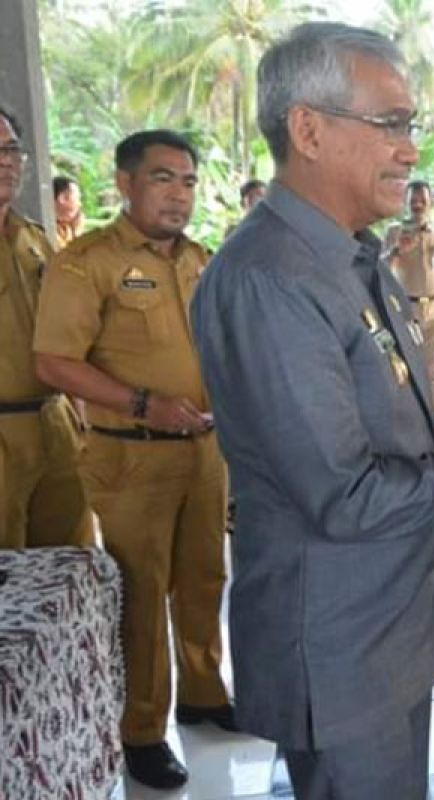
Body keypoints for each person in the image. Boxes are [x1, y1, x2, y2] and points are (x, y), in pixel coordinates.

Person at [188, 23, 434, 800]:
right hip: (337, 642)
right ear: (308, 128)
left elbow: (373, 421)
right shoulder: (272, 279)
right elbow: (345, 494)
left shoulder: (350, 257)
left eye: (411, 126)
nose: (410, 150)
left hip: (384, 625)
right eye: (391, 124)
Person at [33, 129, 232, 790]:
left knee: (204, 579)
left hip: (204, 451)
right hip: (131, 457)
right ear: (123, 183)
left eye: (188, 181)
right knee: (141, 596)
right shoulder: (85, 261)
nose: (178, 195)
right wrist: (143, 403)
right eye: (162, 178)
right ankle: (142, 729)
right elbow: (55, 362)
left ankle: (205, 692)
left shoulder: (201, 260)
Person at [0, 105, 91, 550]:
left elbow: (67, 335)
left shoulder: (35, 239)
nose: (5, 161)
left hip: (56, 424)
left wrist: (82, 413)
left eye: (12, 150)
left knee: (69, 566)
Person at [385, 180, 434, 413]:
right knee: (407, 367)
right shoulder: (394, 232)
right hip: (407, 308)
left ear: (430, 202)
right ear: (406, 202)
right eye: (413, 200)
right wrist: (397, 250)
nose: (418, 204)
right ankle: (412, 419)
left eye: (422, 199)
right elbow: (380, 268)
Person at [52, 175, 84, 248]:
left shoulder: (67, 228)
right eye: (78, 198)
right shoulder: (47, 228)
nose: (80, 204)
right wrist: (77, 233)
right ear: (62, 198)